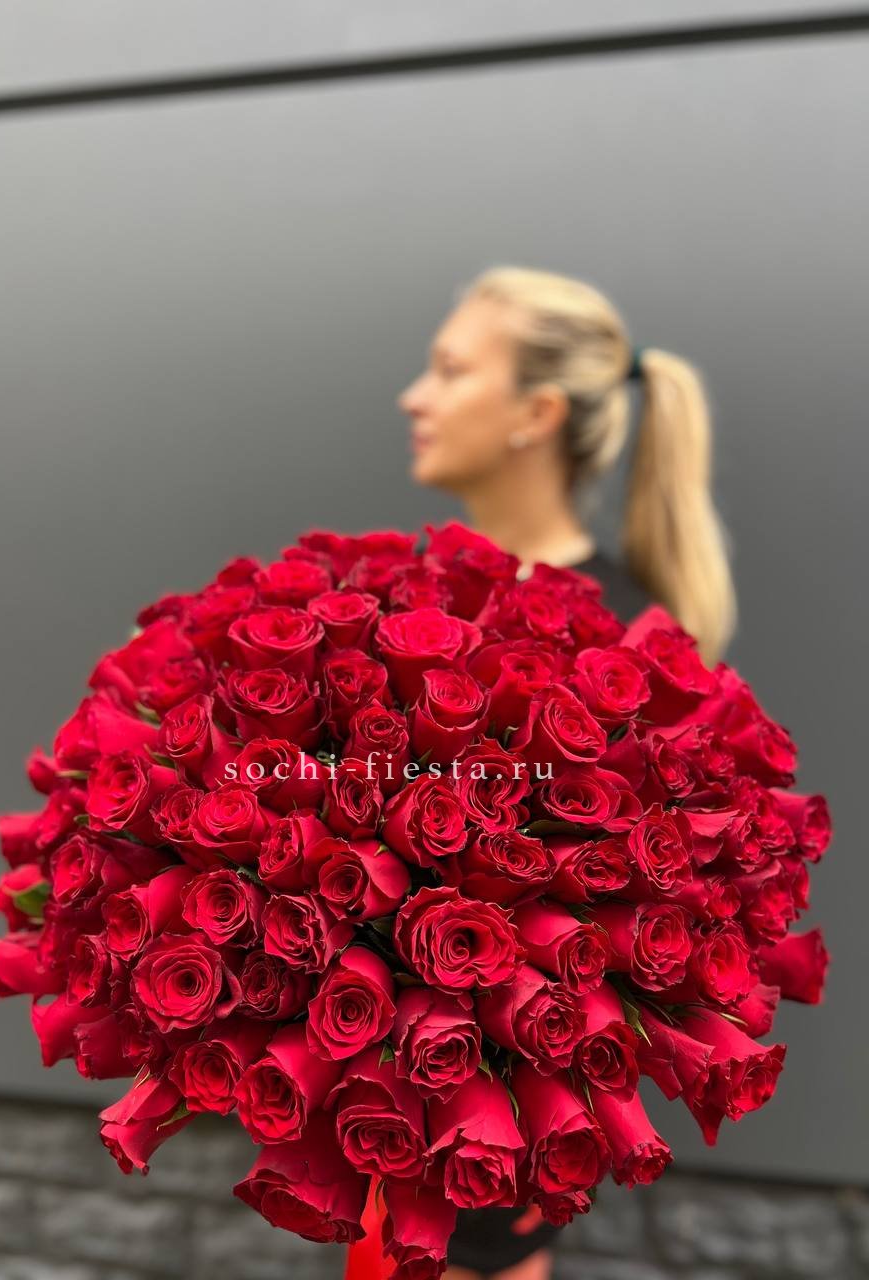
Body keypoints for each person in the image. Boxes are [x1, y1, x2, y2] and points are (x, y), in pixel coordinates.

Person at [393, 265, 737, 1279]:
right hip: (383, 1089)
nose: (414, 396)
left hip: (491, 1109)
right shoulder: (405, 598)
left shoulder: (625, 642)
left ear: (535, 414)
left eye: (450, 370)